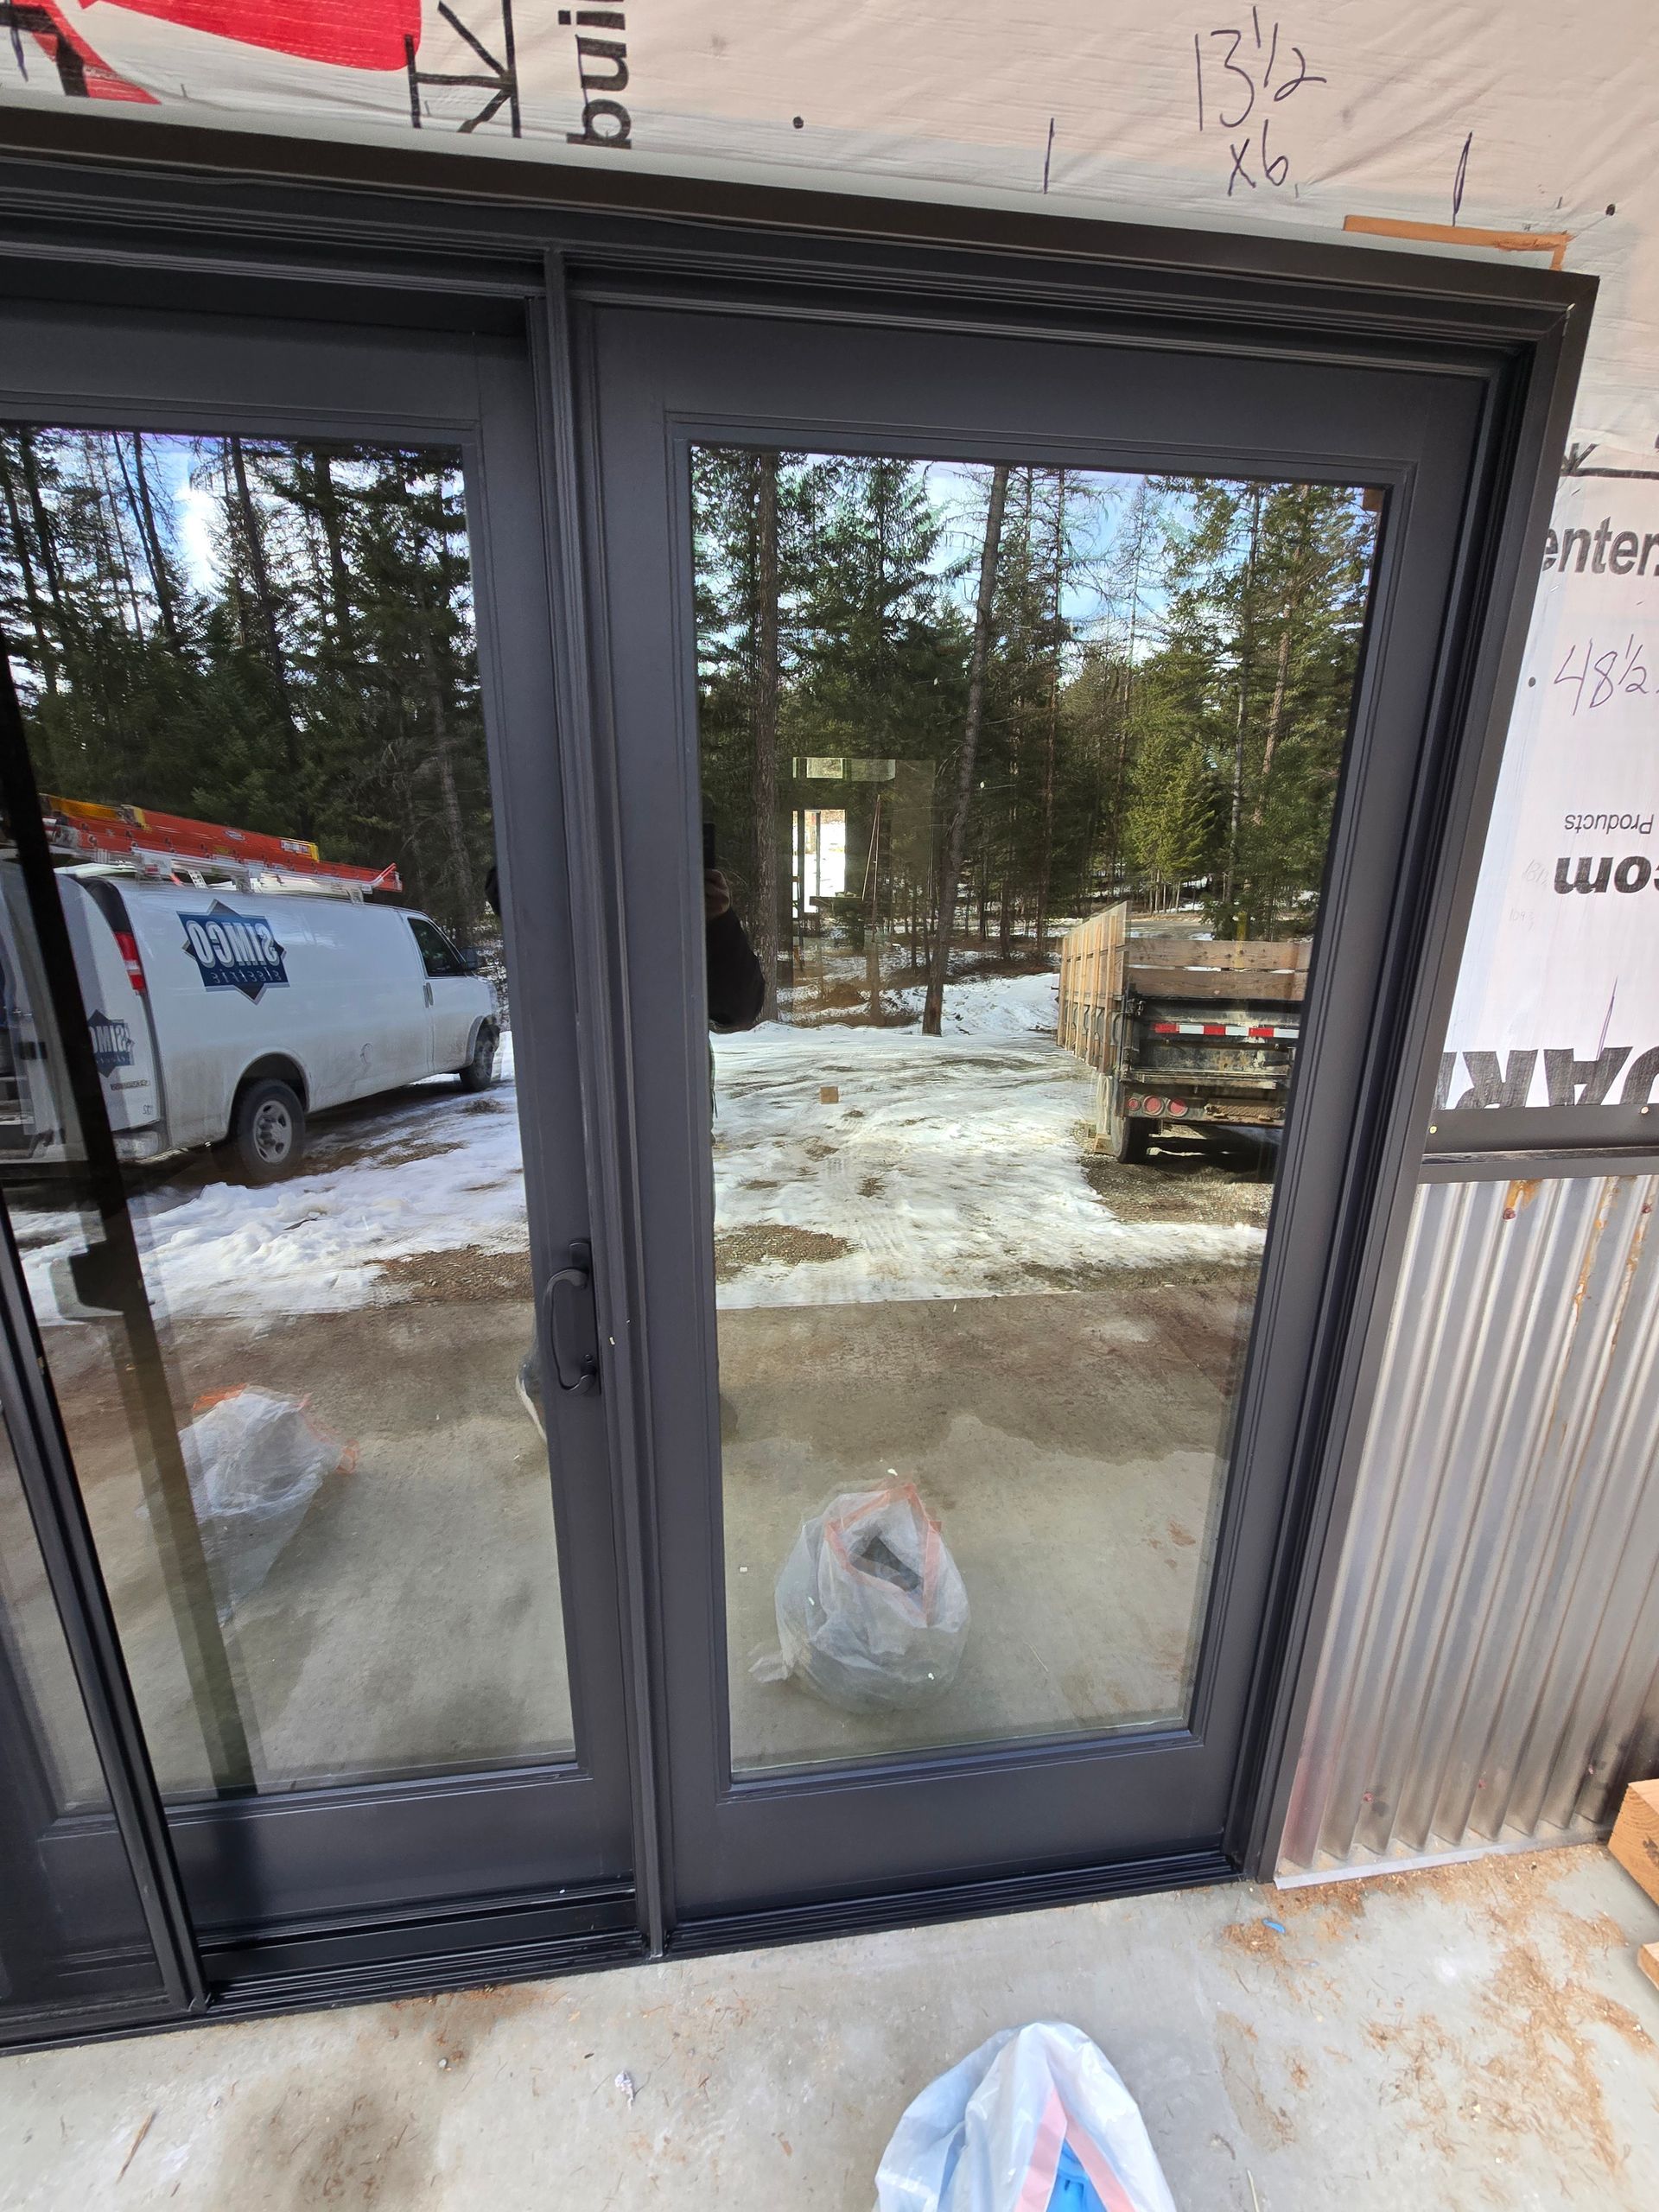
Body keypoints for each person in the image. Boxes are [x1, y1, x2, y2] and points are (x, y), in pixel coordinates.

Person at [514, 860, 766, 1436]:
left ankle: (681, 1390)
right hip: (583, 1096)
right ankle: (557, 1379)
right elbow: (512, 895)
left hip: (673, 1102)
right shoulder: (557, 851)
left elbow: (740, 1006)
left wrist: (717, 919)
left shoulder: (680, 888)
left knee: (678, 1251)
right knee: (592, 1246)